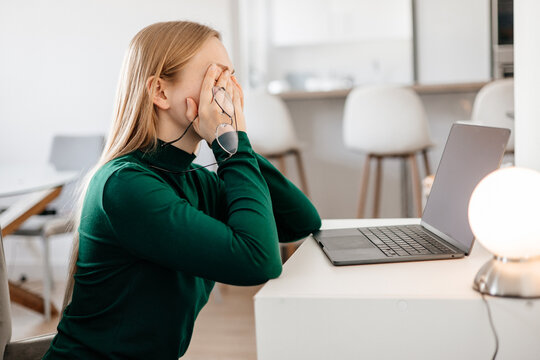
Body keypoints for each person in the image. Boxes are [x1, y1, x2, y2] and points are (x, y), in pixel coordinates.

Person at [43, 21, 320, 359]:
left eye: (231, 77)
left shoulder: (192, 178)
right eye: (215, 78)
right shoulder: (124, 185)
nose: (229, 90)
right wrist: (229, 142)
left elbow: (301, 220)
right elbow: (259, 261)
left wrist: (235, 140)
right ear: (160, 92)